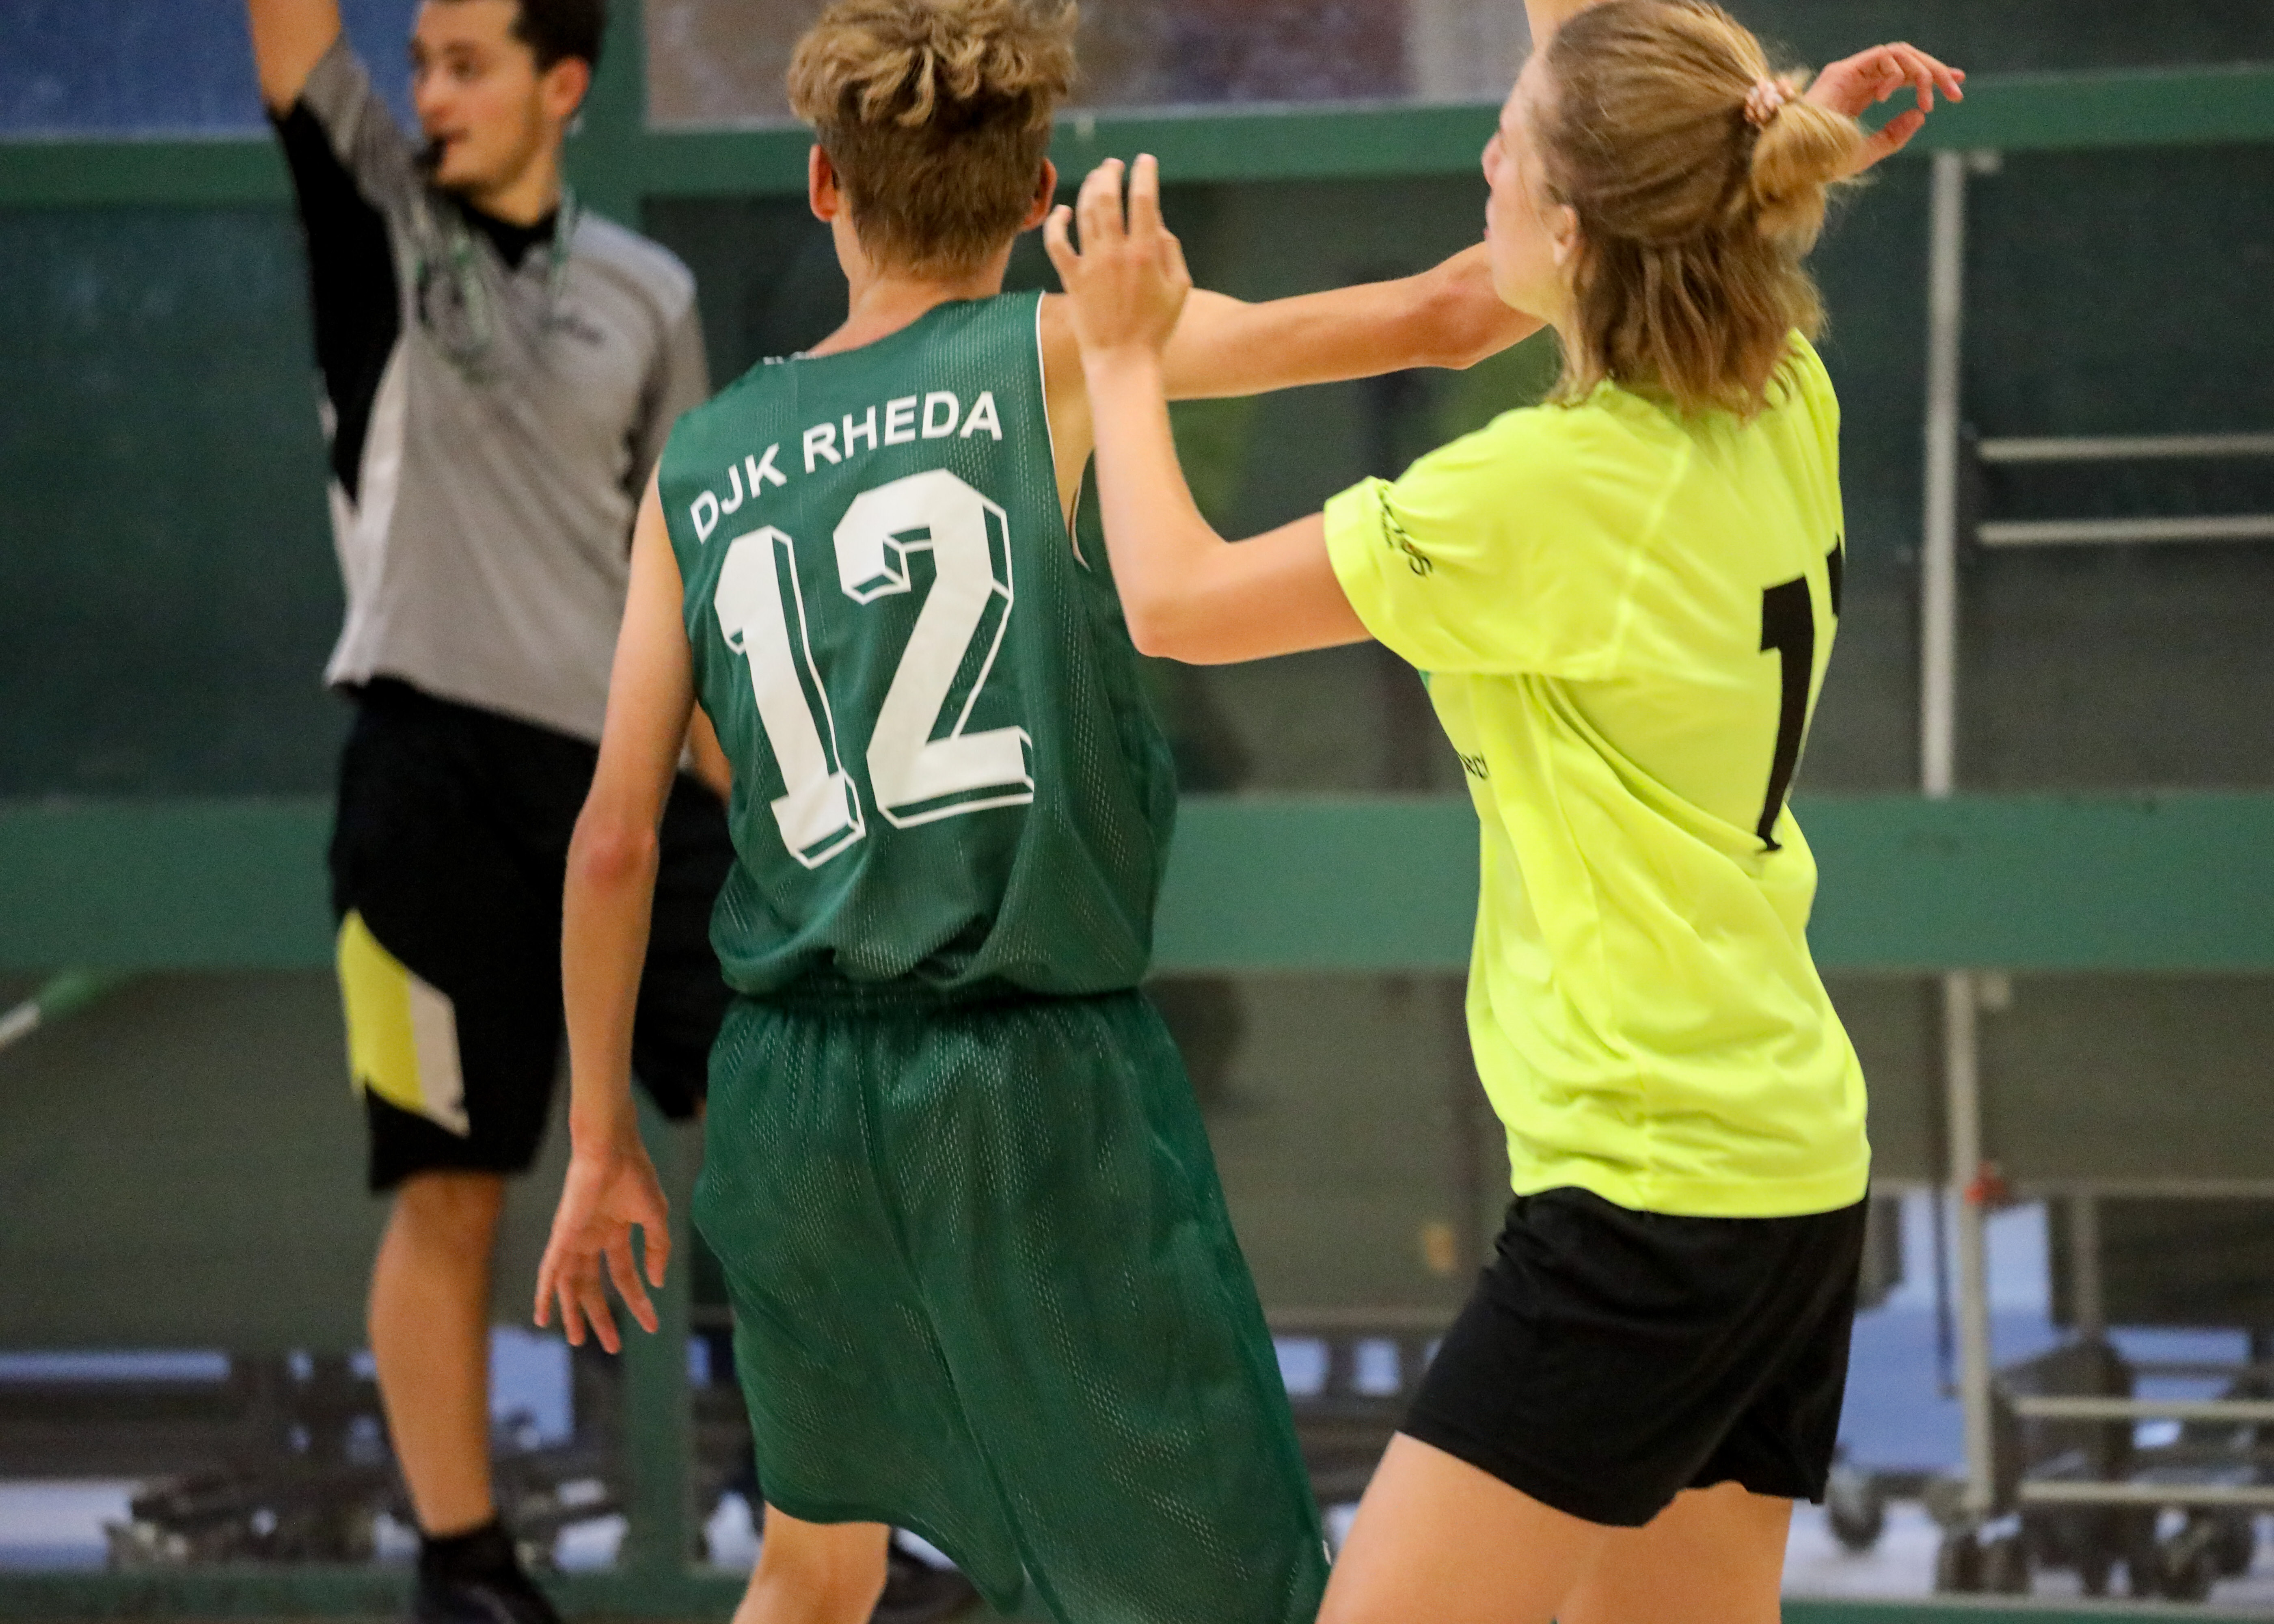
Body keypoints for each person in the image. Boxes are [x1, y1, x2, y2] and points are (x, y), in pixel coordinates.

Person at [529, 3, 1537, 1624]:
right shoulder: (1066, 357)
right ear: (1035, 194)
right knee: (1218, 1585)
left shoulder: (705, 458)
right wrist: (1715, 153)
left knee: (811, 1569)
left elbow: (613, 843)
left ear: (822, 185)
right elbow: (1451, 315)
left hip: (789, 1096)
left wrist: (598, 1144)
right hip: (1027, 1086)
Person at [1044, 2, 1963, 1619]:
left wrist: (1119, 357)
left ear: (1571, 228)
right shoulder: (1783, 395)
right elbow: (1636, 98)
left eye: (1511, 138)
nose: (1484, 154)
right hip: (1787, 1163)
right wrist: (1743, 124)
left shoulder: (1543, 491)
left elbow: (1177, 601)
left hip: (1649, 1196)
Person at [241, 4, 731, 1621]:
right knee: (446, 1190)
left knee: (779, 1128)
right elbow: (292, 40)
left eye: (468, 64)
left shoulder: (650, 294)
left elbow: (684, 575)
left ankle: (846, 1530)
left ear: (562, 85)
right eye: (421, 64)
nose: (431, 92)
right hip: (423, 783)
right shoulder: (375, 217)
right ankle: (465, 1569)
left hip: (627, 786)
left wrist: (761, 805)